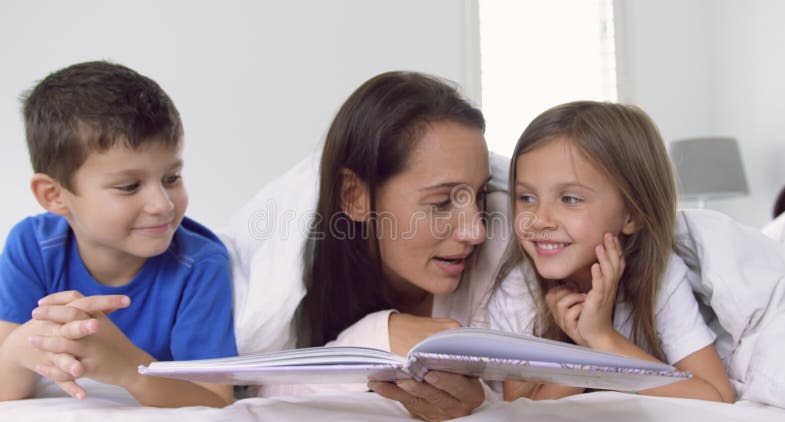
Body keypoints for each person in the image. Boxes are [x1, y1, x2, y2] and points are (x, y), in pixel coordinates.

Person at [226, 71, 507, 420]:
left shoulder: (502, 255)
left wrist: (480, 403)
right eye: (441, 203)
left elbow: (532, 400)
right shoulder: (296, 272)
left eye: (479, 195)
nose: (476, 231)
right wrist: (378, 337)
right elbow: (262, 388)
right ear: (354, 195)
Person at [0, 61, 237, 407]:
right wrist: (19, 350)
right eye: (129, 186)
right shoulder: (32, 246)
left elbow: (216, 401)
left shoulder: (199, 265)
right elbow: (6, 391)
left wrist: (129, 367)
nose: (162, 204)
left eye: (171, 178)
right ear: (54, 195)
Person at [490, 101, 735, 402]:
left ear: (631, 214)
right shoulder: (520, 287)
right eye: (526, 197)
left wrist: (603, 338)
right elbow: (522, 409)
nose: (538, 219)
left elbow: (717, 397)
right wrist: (580, 350)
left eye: (569, 199)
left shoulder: (661, 277)